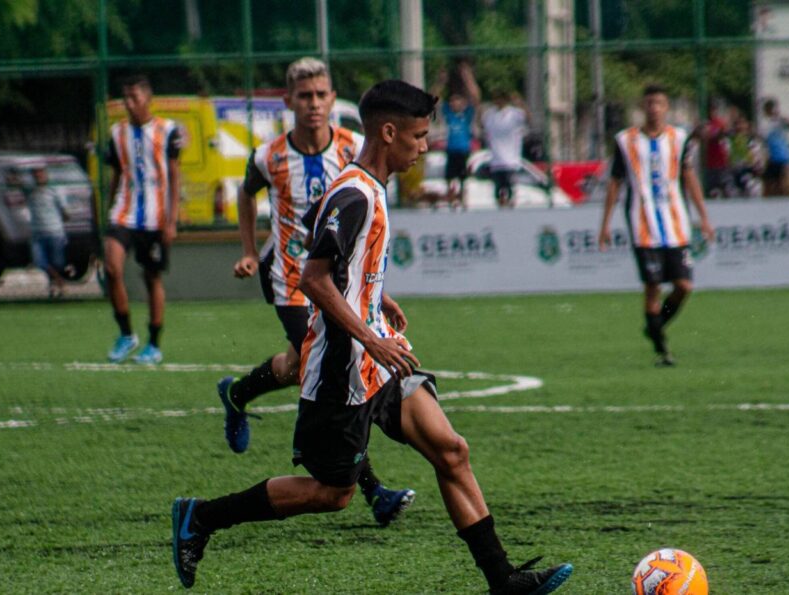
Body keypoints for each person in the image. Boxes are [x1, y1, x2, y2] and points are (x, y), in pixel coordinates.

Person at [171, 80, 573, 594]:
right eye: (419, 136)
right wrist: (372, 334)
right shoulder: (356, 192)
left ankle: (505, 580)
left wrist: (374, 294)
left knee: (451, 450)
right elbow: (312, 279)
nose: (425, 147)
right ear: (389, 132)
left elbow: (329, 244)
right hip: (342, 372)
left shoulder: (362, 187)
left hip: (377, 361)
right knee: (332, 493)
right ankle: (201, 517)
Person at [218, 57, 415, 525]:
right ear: (288, 101)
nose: (314, 104)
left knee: (299, 364)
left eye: (321, 94)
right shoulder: (269, 156)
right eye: (304, 96)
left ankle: (239, 393)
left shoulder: (351, 148)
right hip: (290, 278)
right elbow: (246, 195)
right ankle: (372, 490)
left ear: (332, 99)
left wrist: (376, 289)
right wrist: (249, 250)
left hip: (340, 281)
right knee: (328, 362)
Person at [597, 84, 715, 367]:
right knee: (652, 286)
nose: (654, 108)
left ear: (666, 107)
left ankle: (655, 325)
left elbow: (689, 177)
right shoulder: (626, 141)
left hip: (676, 225)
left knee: (684, 286)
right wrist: (605, 224)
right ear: (643, 106)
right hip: (642, 225)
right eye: (649, 103)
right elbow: (615, 183)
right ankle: (663, 350)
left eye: (659, 103)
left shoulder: (679, 138)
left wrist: (704, 217)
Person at [103, 74, 181, 364]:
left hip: (155, 217)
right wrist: (108, 210)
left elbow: (174, 176)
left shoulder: (168, 130)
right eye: (125, 98)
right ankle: (126, 334)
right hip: (123, 212)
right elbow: (115, 176)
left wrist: (171, 221)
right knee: (112, 268)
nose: (128, 103)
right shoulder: (116, 133)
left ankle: (153, 344)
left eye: (134, 97)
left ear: (148, 98)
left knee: (151, 278)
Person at [435, 62, 481, 209]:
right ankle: (452, 200)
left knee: (463, 179)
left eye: (457, 100)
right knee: (449, 178)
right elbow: (433, 98)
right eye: (453, 101)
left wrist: (467, 77)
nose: (455, 103)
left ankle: (463, 201)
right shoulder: (449, 114)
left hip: (463, 150)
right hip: (451, 150)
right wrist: (441, 81)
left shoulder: (466, 115)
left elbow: (476, 98)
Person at [24, 166, 70, 298]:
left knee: (57, 262)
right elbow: (13, 183)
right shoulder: (30, 190)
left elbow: (65, 211)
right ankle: (61, 283)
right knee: (40, 261)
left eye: (41, 172)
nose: (38, 175)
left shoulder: (55, 190)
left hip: (54, 231)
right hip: (37, 232)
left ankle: (54, 286)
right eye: (35, 173)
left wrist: (65, 217)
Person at [481, 89, 529, 208]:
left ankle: (511, 208)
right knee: (498, 192)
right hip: (496, 160)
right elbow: (481, 123)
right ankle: (501, 208)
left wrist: (519, 102)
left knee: (510, 189)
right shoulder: (490, 115)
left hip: (511, 161)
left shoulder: (514, 113)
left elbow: (527, 118)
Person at [702, 100, 733, 198]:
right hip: (710, 161)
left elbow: (726, 135)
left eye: (714, 110)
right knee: (711, 188)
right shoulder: (706, 123)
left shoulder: (720, 123)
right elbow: (707, 136)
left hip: (721, 160)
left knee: (725, 185)